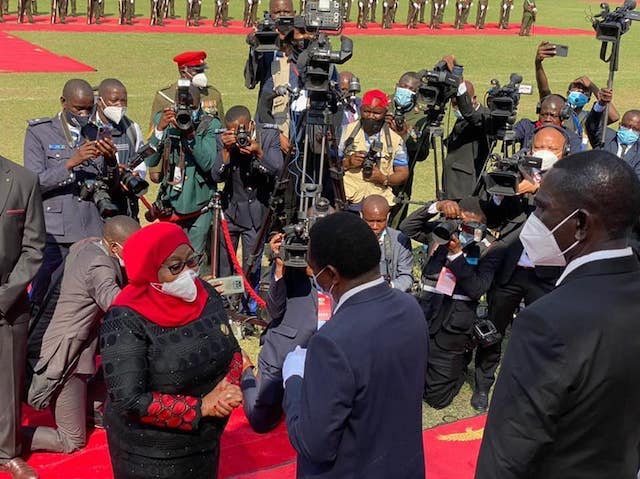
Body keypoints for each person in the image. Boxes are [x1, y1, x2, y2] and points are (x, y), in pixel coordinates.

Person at [475, 150, 640, 479]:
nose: (533, 221)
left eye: (541, 208)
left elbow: (509, 451)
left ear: (579, 224)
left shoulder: (546, 322)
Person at [282, 212, 427, 479]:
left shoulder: (331, 342)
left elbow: (314, 446)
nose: (313, 274)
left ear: (330, 275)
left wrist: (293, 379)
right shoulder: (410, 307)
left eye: (313, 268)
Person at [100, 222, 244, 479]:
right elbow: (128, 400)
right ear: (148, 270)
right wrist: (201, 407)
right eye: (175, 267)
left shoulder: (205, 294)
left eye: (192, 261)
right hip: (150, 455)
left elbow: (231, 346)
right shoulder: (124, 319)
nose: (188, 273)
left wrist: (228, 385)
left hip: (205, 441)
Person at [472, 125, 569, 412]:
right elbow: (489, 211)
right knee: (493, 330)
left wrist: (542, 187)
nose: (545, 154)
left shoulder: (570, 181)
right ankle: (482, 385)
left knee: (544, 335)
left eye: (553, 149)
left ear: (564, 154)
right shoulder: (514, 174)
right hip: (510, 271)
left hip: (547, 273)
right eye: (540, 147)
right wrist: (509, 191)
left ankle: (534, 389)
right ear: (529, 147)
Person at [25, 216, 140, 454]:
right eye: (134, 248)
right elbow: (116, 303)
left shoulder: (87, 244)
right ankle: (8, 438)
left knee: (126, 348)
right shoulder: (100, 265)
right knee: (72, 441)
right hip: (65, 357)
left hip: (71, 342)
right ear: (115, 247)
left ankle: (90, 407)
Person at [24, 79, 119, 308]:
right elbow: (33, 183)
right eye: (78, 108)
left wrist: (110, 161)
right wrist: (70, 163)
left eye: (89, 108)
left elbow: (112, 186)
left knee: (89, 299)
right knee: (45, 299)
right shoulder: (40, 132)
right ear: (63, 102)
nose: (85, 114)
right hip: (57, 233)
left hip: (92, 228)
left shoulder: (99, 132)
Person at [401, 196, 500, 409]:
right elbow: (406, 227)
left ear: (484, 224)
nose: (465, 229)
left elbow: (476, 289)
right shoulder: (441, 233)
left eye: (473, 224)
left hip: (454, 330)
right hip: (425, 318)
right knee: (406, 387)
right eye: (461, 222)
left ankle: (461, 368)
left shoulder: (491, 248)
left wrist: (456, 256)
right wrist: (437, 206)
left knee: (436, 400)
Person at [240, 233, 319, 433]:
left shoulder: (344, 263)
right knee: (262, 420)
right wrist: (280, 266)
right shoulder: (291, 266)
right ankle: (246, 369)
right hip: (287, 350)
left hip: (329, 351)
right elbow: (272, 312)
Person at [212, 105, 283, 314]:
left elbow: (277, 170)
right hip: (231, 211)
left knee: (250, 265)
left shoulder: (269, 135)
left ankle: (248, 307)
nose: (238, 135)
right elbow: (216, 176)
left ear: (251, 125)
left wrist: (258, 151)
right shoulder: (223, 140)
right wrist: (226, 151)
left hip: (257, 213)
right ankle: (227, 307)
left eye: (241, 130)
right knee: (225, 264)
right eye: (233, 131)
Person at [0, 156, 45, 479]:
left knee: (7, 383)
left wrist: (4, 297)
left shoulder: (23, 180)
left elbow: (34, 248)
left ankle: (7, 452)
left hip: (8, 303)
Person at [145, 83, 220, 256]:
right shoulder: (163, 119)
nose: (187, 111)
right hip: (171, 201)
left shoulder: (210, 124)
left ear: (200, 104)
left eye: (192, 107)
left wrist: (190, 135)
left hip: (199, 202)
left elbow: (208, 163)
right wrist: (159, 130)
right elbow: (150, 160)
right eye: (183, 106)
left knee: (194, 258)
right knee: (170, 257)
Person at [534, 42, 620, 148]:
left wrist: (592, 86)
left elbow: (614, 116)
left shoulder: (589, 118)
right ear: (568, 92)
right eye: (575, 87)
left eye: (584, 90)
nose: (579, 90)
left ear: (588, 99)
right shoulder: (556, 110)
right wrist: (538, 64)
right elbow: (544, 89)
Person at [87, 78, 147, 221]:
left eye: (123, 101)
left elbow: (141, 162)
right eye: (114, 101)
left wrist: (135, 174)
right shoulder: (86, 128)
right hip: (95, 208)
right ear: (100, 101)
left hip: (125, 208)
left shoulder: (131, 128)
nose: (120, 105)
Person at [339, 89, 409, 210]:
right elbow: (329, 165)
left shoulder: (395, 140)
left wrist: (384, 179)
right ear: (360, 110)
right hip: (348, 197)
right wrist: (348, 162)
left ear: (385, 113)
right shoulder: (344, 131)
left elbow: (403, 173)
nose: (371, 116)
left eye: (377, 113)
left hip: (378, 199)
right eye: (366, 111)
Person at [387, 71, 430, 226]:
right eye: (403, 86)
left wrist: (404, 135)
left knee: (396, 221)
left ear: (416, 93)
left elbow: (422, 153)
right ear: (397, 86)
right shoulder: (381, 105)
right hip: (375, 171)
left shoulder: (421, 117)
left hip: (402, 177)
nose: (406, 90)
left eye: (411, 89)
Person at [148, 51, 224, 137]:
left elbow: (221, 130)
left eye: (202, 71)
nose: (201, 75)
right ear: (183, 72)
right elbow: (153, 133)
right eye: (197, 71)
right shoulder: (164, 96)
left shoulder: (213, 94)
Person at [442, 79, 491, 200]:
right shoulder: (462, 118)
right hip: (452, 182)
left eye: (460, 103)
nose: (458, 107)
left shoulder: (484, 116)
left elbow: (471, 117)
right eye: (454, 104)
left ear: (473, 99)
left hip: (465, 185)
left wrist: (459, 85)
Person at [361, 195, 413, 291]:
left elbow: (406, 277)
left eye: (380, 221)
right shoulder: (349, 239)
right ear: (361, 216)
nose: (375, 226)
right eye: (370, 221)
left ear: (388, 217)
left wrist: (389, 287)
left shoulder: (400, 240)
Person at [586, 99, 640, 179]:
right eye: (626, 126)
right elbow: (592, 126)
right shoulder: (605, 137)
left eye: (635, 129)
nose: (629, 131)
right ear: (620, 125)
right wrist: (601, 104)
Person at [513, 94, 582, 153]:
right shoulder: (526, 126)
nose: (547, 119)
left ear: (563, 116)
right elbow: (508, 135)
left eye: (553, 116)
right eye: (544, 114)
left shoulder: (572, 138)